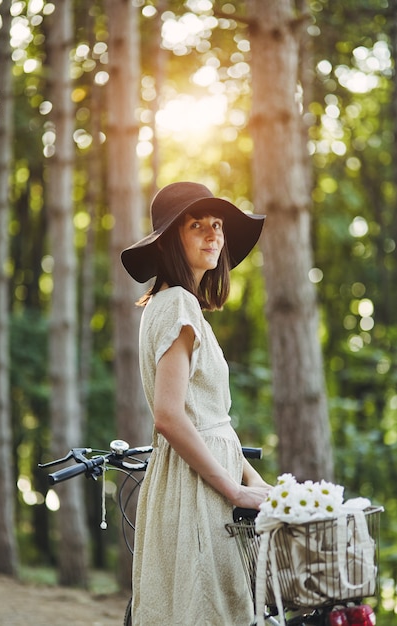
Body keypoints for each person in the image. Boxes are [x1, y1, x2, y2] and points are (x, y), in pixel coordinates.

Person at [121, 182, 271, 626]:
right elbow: (169, 416)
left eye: (218, 225)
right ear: (171, 240)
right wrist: (233, 490)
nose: (213, 235)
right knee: (207, 610)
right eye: (196, 226)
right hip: (198, 491)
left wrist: (257, 482)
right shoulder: (178, 304)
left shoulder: (175, 305)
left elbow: (210, 419)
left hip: (207, 484)